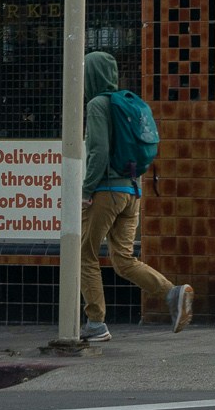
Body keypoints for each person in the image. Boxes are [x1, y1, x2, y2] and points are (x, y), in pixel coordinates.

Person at [79, 48, 191, 339]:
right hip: (132, 191)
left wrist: (86, 189)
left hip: (105, 190)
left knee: (85, 255)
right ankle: (172, 293)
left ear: (90, 75)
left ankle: (95, 323)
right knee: (123, 260)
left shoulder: (97, 105)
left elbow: (98, 151)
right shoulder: (127, 103)